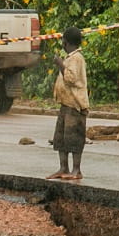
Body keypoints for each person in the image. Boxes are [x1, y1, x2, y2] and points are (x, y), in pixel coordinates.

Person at [50, 27, 89, 180]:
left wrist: (60, 64)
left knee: (74, 138)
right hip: (65, 104)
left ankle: (76, 170)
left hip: (75, 105)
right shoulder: (69, 57)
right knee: (61, 138)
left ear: (65, 42)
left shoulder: (77, 58)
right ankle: (63, 167)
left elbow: (71, 79)